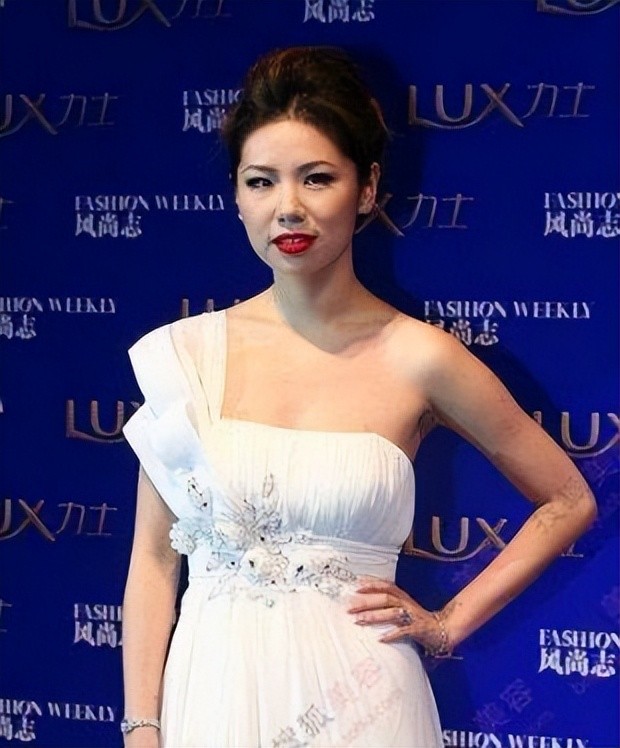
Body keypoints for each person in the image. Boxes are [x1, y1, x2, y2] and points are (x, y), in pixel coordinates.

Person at [120, 46, 596, 748]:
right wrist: (142, 726)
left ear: (367, 188)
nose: (288, 207)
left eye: (317, 178)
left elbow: (568, 500)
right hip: (214, 701)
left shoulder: (421, 356)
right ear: (237, 197)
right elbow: (155, 562)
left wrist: (447, 624)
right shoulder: (184, 356)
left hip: (367, 704)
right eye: (261, 182)